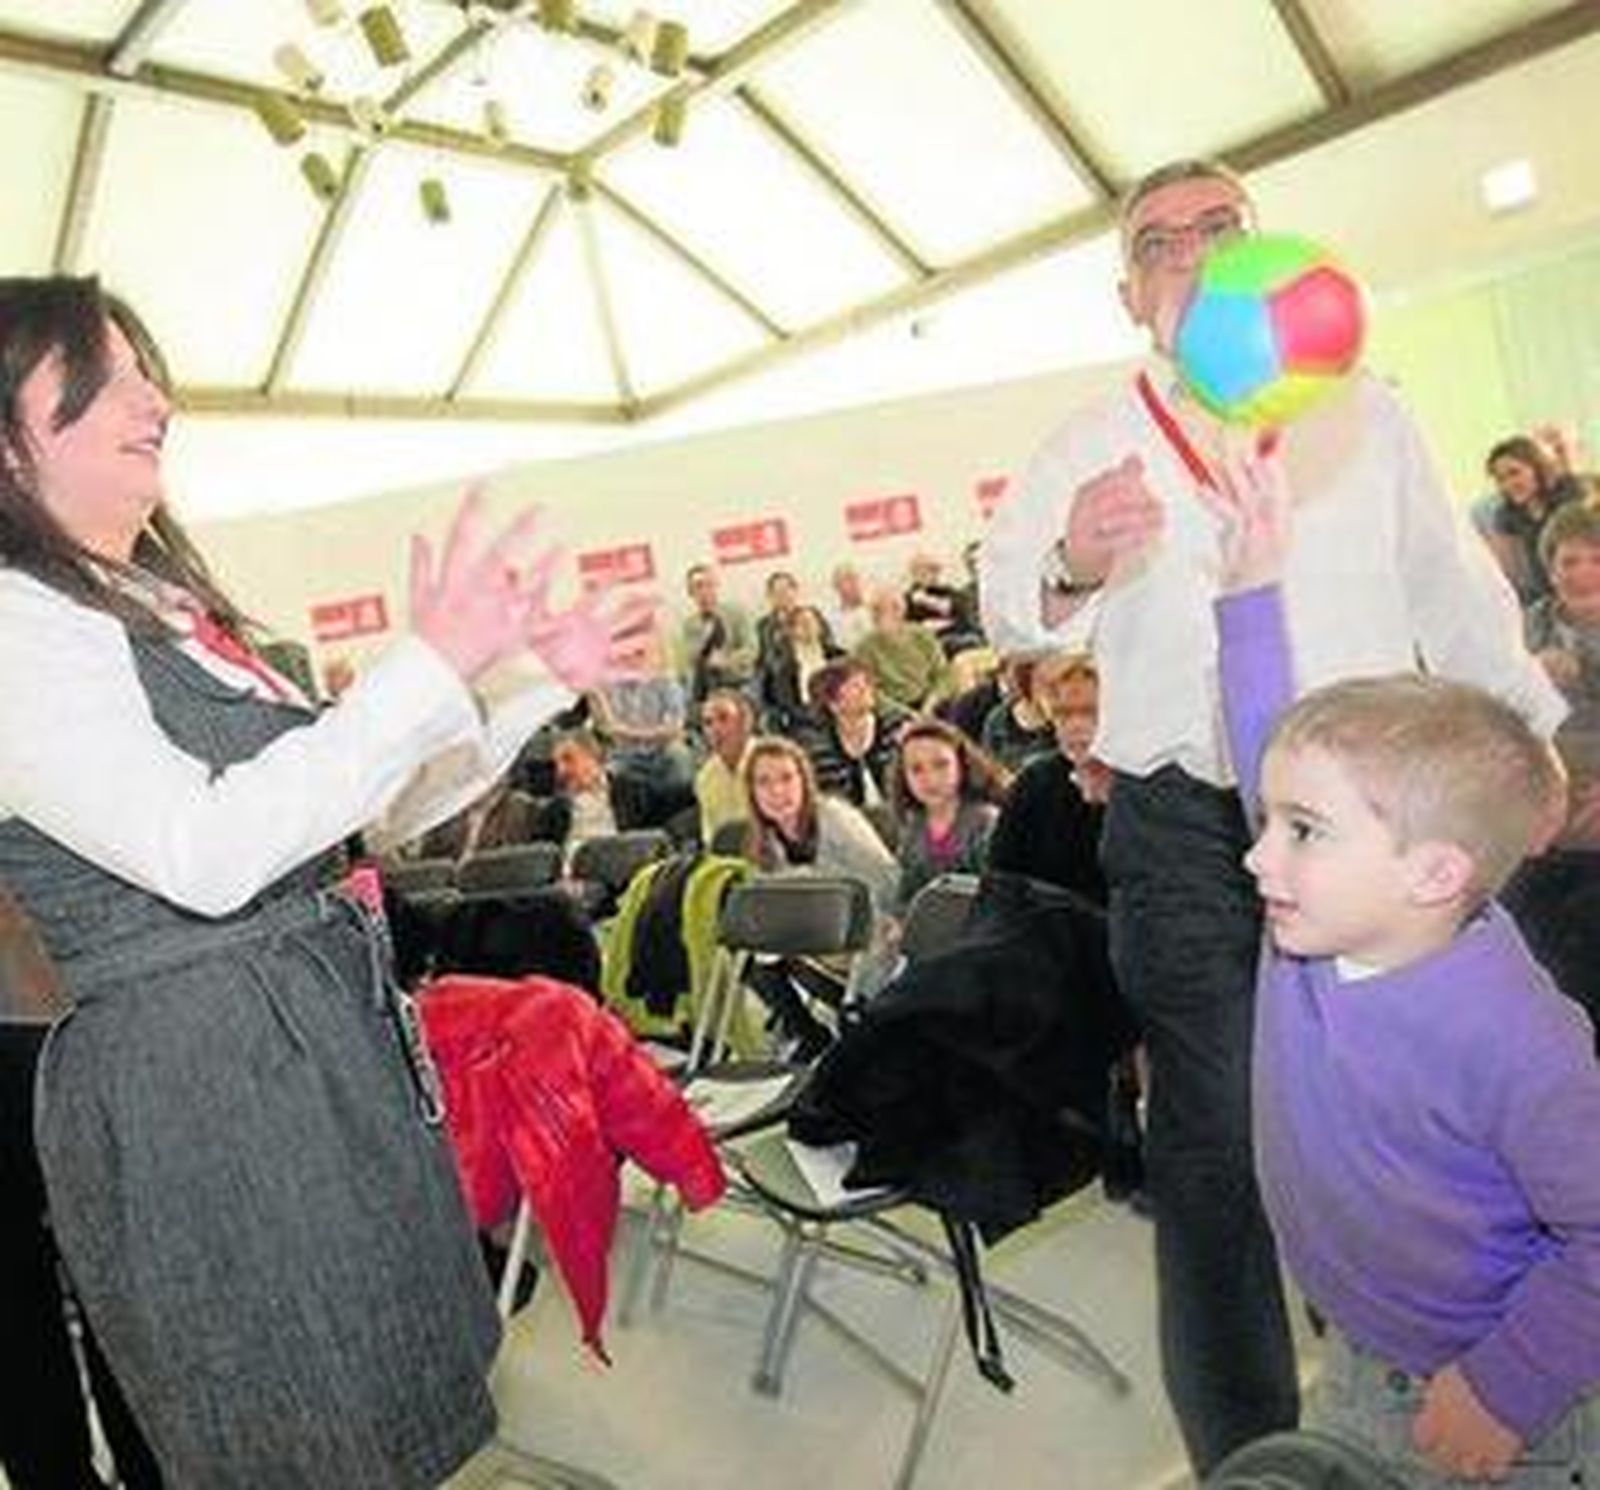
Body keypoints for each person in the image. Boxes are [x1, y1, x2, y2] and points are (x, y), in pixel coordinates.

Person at [0, 275, 652, 1488]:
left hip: (302, 1054)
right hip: (209, 1092)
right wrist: (424, 664)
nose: (157, 397)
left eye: (149, 367)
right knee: (299, 1427)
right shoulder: (14, 622)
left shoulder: (156, 607)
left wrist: (519, 685)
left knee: (376, 1407)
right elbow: (204, 855)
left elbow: (359, 814)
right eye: (109, 372)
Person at [978, 159, 1565, 1475]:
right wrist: (1072, 555)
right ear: (1133, 294)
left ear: (1265, 253)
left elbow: (1453, 586)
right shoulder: (1097, 434)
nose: (1190, 253)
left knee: (1411, 1106)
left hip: (1379, 809)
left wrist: (1530, 733)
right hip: (1186, 824)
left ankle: (1446, 1369)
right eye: (1158, 243)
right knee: (1218, 1137)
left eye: (1218, 228)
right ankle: (1255, 1453)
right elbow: (1006, 597)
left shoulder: (1366, 411)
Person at [1204, 439, 1598, 1488]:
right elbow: (1265, 743)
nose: (1255, 851)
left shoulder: (1520, 1042)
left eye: (1298, 828)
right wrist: (1249, 588)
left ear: (1431, 872)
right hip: (1364, 1346)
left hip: (1517, 1392)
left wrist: (1508, 1385)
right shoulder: (1319, 918)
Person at [986, 651, 1111, 905]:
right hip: (1043, 932)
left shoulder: (1144, 784)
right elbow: (1001, 879)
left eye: (1090, 712)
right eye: (1063, 714)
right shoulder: (1034, 782)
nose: (1075, 725)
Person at [888, 718, 1007, 908]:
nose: (930, 779)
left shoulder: (987, 823)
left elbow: (1001, 898)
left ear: (962, 764)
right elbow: (904, 897)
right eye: (916, 769)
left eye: (941, 765)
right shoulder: (913, 828)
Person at [1471, 434, 1587, 607]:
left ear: (1537, 468)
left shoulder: (1569, 493)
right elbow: (1506, 569)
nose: (1508, 484)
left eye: (1515, 473)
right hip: (1551, 597)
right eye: (1500, 479)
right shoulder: (1507, 515)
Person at [798, 657, 911, 810]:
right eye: (855, 686)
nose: (866, 689)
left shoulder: (896, 726)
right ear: (833, 704)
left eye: (866, 683)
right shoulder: (816, 744)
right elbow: (829, 797)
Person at [853, 584, 951, 711]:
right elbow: (871, 690)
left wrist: (931, 703)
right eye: (877, 610)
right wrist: (903, 712)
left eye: (894, 608)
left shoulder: (922, 635)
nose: (883, 615)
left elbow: (943, 674)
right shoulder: (864, 647)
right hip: (894, 709)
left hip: (931, 701)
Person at [676, 561, 755, 704]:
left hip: (739, 682)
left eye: (709, 584)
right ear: (690, 592)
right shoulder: (690, 625)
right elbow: (691, 658)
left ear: (716, 586)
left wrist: (727, 660)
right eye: (698, 586)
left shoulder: (736, 613)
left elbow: (751, 649)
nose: (704, 591)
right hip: (709, 687)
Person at [692, 688, 755, 846]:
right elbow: (711, 838)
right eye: (708, 723)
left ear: (745, 723)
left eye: (724, 718)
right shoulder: (705, 778)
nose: (715, 730)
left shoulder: (769, 763)